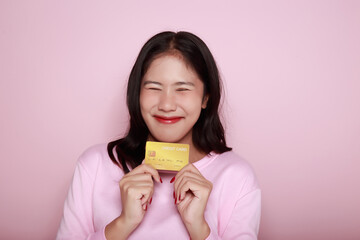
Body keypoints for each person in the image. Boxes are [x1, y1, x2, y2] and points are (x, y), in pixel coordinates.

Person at [57, 31, 261, 240]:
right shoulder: (95, 165)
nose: (166, 105)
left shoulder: (237, 176)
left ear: (205, 98)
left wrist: (199, 228)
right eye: (154, 87)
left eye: (182, 89)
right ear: (137, 93)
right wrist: (123, 223)